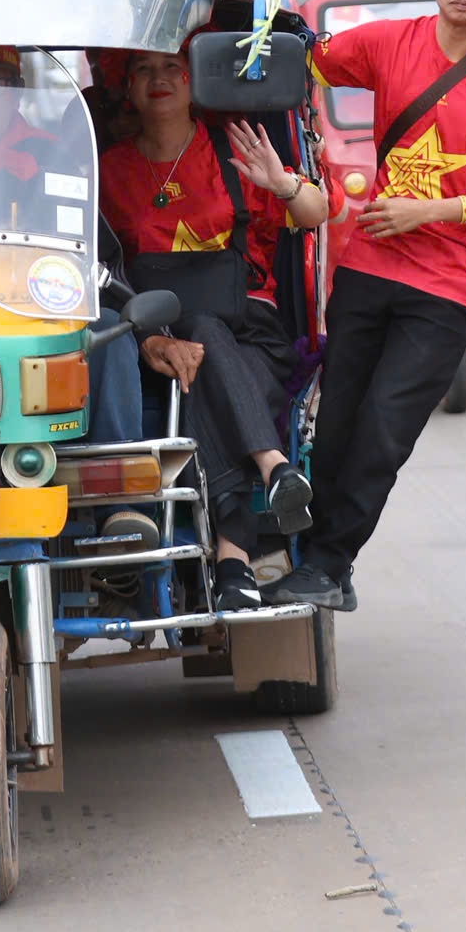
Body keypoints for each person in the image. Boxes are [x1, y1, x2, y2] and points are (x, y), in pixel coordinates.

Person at [267, 0, 466, 612]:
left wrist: (430, 211)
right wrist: (265, 18)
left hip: (446, 290)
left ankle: (331, 564)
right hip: (366, 272)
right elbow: (307, 54)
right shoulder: (389, 44)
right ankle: (310, 557)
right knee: (334, 430)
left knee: (385, 433)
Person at [98, 48, 330, 611]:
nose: (159, 81)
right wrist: (149, 340)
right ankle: (236, 556)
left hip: (252, 325)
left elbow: (319, 211)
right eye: (144, 71)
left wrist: (281, 184)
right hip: (157, 336)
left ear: (194, 78)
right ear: (126, 88)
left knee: (202, 344)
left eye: (172, 69)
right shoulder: (109, 168)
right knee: (197, 354)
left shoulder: (233, 148)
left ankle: (244, 532)